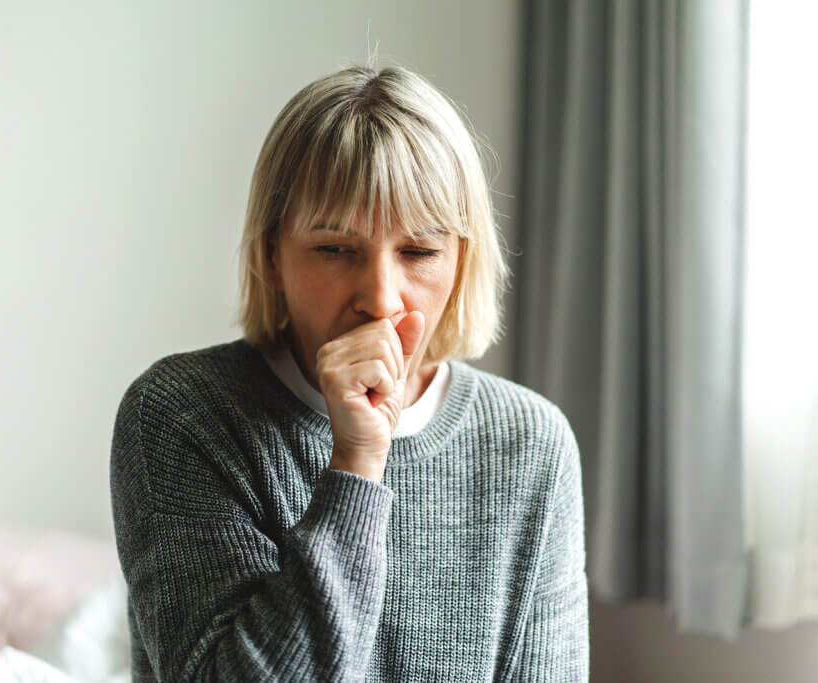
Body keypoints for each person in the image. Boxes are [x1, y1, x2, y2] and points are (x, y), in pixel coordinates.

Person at [110, 63, 589, 682]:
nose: (382, 299)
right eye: (335, 249)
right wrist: (358, 462)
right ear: (272, 256)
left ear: (461, 263)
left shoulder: (531, 441)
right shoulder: (181, 414)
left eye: (419, 251)